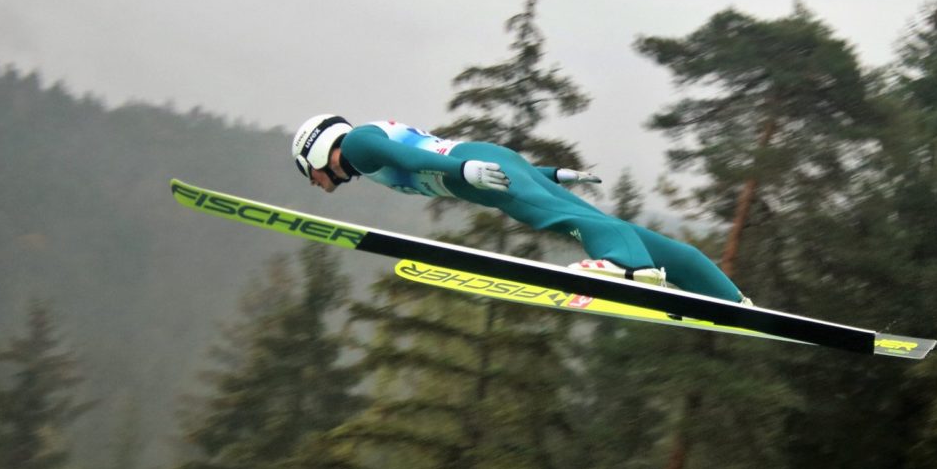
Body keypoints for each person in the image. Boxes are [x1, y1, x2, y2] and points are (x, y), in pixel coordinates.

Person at [291, 114, 747, 302]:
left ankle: (628, 268)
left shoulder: (357, 143)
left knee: (559, 218)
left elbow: (410, 158)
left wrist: (465, 170)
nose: (316, 183)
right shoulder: (364, 149)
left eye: (308, 172)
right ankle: (729, 297)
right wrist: (549, 174)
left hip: (474, 168)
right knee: (595, 219)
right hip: (484, 165)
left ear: (315, 151)